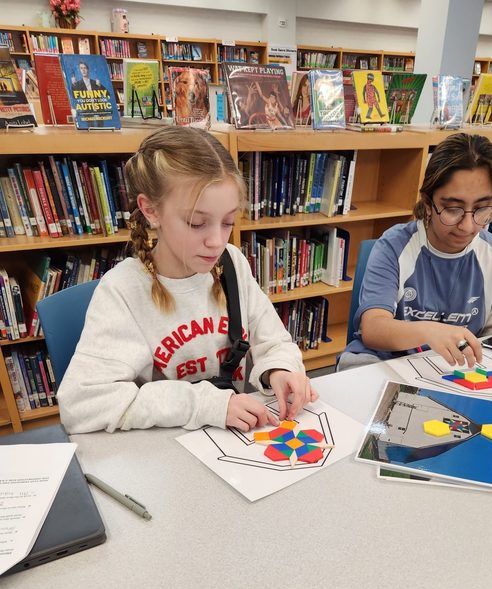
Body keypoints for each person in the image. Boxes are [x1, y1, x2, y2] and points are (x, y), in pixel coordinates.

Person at [58, 127, 317, 433]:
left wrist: (281, 368)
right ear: (151, 211)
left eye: (228, 222)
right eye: (197, 223)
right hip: (162, 452)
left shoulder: (231, 263)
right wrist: (203, 404)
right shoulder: (122, 291)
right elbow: (79, 404)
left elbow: (273, 340)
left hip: (228, 442)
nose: (217, 241)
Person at [339, 132, 492, 372]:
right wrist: (429, 331)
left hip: (452, 371)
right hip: (386, 363)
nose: (467, 226)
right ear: (427, 203)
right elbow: (373, 329)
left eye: (481, 208)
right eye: (452, 209)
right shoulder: (394, 246)